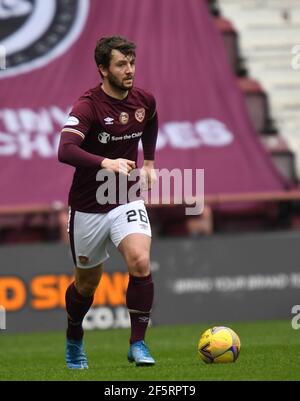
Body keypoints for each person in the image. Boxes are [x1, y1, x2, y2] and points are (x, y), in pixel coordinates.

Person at [58, 36, 158, 369]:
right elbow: (65, 150)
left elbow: (151, 119)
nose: (129, 70)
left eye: (131, 62)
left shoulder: (143, 100)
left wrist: (150, 162)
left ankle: (138, 343)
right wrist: (106, 162)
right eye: (120, 64)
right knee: (87, 285)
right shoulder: (88, 105)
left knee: (140, 260)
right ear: (103, 69)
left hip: (125, 197)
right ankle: (74, 337)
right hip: (88, 206)